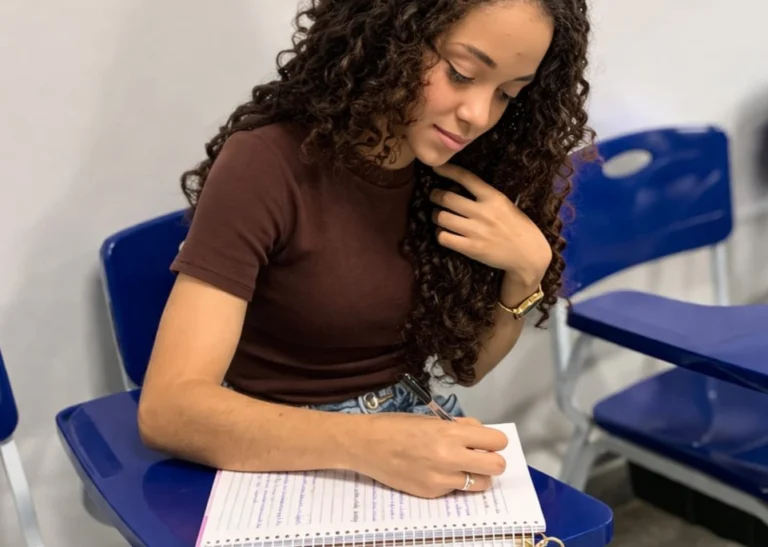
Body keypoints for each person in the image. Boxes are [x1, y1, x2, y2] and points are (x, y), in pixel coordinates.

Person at [138, 0, 594, 500]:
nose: (478, 115)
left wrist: (526, 273)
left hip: (411, 426)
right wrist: (373, 444)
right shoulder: (267, 165)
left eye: (507, 94)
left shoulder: (459, 174)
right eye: (461, 74)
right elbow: (169, 411)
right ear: (391, 38)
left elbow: (469, 367)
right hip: (287, 448)